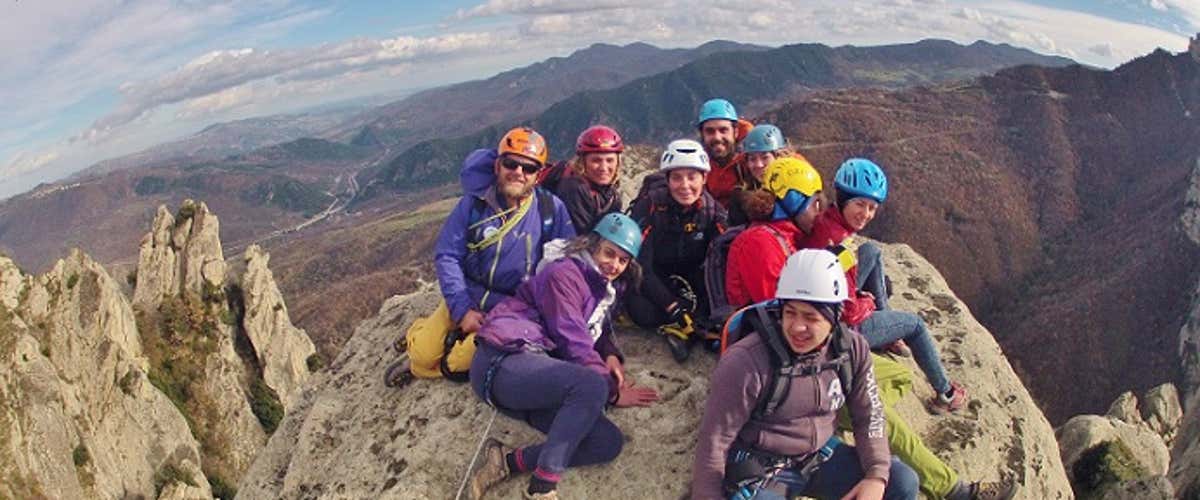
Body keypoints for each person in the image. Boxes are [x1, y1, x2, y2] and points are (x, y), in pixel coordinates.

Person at [722, 159, 1017, 500]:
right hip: (790, 371)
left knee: (899, 376)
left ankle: (842, 417)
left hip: (823, 351)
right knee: (881, 416)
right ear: (792, 200)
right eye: (814, 202)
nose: (820, 209)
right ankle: (954, 489)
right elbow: (783, 325)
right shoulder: (763, 243)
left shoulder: (788, 237)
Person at [692, 249, 918, 500]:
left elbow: (868, 415)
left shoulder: (851, 350)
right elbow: (715, 441)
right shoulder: (746, 361)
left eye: (811, 317)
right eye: (790, 313)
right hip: (764, 467)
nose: (798, 327)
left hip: (819, 456)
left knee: (902, 482)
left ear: (834, 317)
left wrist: (876, 475)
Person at [465, 213, 660, 500]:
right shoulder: (564, 274)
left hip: (531, 381)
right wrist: (613, 392)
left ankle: (505, 461)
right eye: (609, 253)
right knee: (592, 385)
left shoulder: (595, 284)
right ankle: (542, 488)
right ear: (592, 245)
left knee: (606, 442)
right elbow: (572, 338)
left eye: (623, 260)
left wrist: (609, 355)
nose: (614, 265)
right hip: (501, 362)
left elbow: (590, 327)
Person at [403, 127, 576, 381]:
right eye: (511, 164)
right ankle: (417, 334)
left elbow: (566, 265)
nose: (519, 172)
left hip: (510, 308)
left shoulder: (551, 210)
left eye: (529, 168)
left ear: (538, 175)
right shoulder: (474, 204)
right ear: (497, 166)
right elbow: (448, 255)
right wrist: (462, 310)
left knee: (457, 363)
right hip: (468, 293)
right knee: (423, 355)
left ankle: (439, 354)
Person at [799, 158, 967, 413]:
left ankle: (888, 336)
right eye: (860, 204)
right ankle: (945, 394)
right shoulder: (838, 245)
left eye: (872, 207)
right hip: (840, 329)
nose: (866, 214)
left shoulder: (828, 222)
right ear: (843, 199)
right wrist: (867, 302)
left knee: (871, 251)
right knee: (916, 325)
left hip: (825, 303)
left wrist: (859, 295)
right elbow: (848, 313)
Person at [626, 139, 728, 361]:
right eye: (677, 177)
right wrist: (672, 306)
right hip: (655, 273)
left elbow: (720, 265)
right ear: (667, 179)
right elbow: (640, 266)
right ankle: (682, 325)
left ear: (704, 178)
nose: (685, 185)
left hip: (691, 276)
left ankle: (691, 328)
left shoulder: (713, 213)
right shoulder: (650, 206)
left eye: (692, 177)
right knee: (642, 312)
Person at [548, 125, 626, 233]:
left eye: (610, 160)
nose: (603, 168)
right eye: (596, 160)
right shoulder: (574, 188)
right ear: (582, 162)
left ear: (618, 162)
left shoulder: (610, 193)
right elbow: (580, 236)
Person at [728, 124, 799, 226]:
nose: (759, 165)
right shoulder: (739, 197)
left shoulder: (795, 191)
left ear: (779, 157)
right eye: (752, 159)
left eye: (765, 157)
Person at [696, 98, 752, 208]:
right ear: (702, 135)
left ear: (735, 132)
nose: (717, 137)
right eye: (710, 131)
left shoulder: (753, 160)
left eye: (723, 130)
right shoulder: (697, 165)